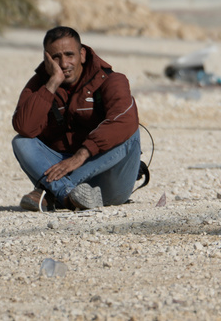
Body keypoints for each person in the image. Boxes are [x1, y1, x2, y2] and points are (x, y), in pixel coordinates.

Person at [12, 26, 141, 211]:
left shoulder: (112, 80)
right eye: (56, 57)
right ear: (46, 59)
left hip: (109, 184)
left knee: (129, 130)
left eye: (69, 55)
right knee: (21, 142)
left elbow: (124, 121)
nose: (64, 64)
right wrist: (52, 84)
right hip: (61, 170)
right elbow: (24, 127)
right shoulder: (41, 85)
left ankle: (54, 193)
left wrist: (81, 155)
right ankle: (67, 196)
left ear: (82, 54)